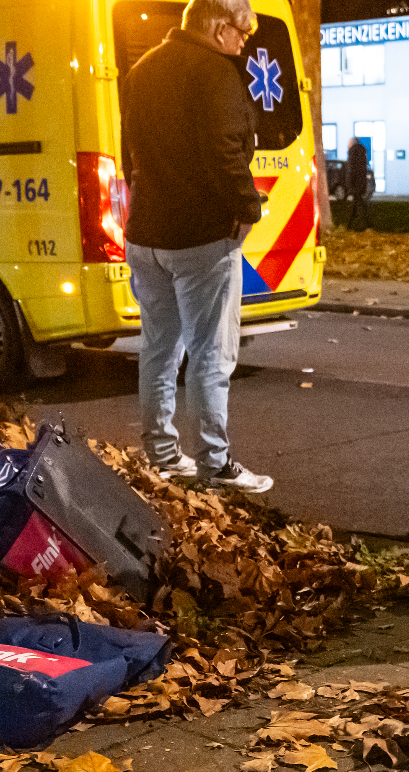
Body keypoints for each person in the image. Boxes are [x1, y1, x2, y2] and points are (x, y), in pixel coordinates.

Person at [120, 0, 272, 492]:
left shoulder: (141, 70)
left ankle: (162, 456)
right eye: (242, 32)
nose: (244, 42)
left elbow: (132, 153)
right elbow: (226, 150)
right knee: (212, 353)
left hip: (146, 233)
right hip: (202, 236)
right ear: (215, 25)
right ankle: (215, 464)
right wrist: (250, 208)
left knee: (159, 349)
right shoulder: (214, 71)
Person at [343, 135, 373, 232]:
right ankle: (351, 225)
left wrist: (350, 184)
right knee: (358, 204)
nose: (348, 144)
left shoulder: (353, 152)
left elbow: (351, 170)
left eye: (349, 142)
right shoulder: (362, 153)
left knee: (359, 204)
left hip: (355, 183)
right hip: (361, 182)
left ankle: (365, 225)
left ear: (352, 143)